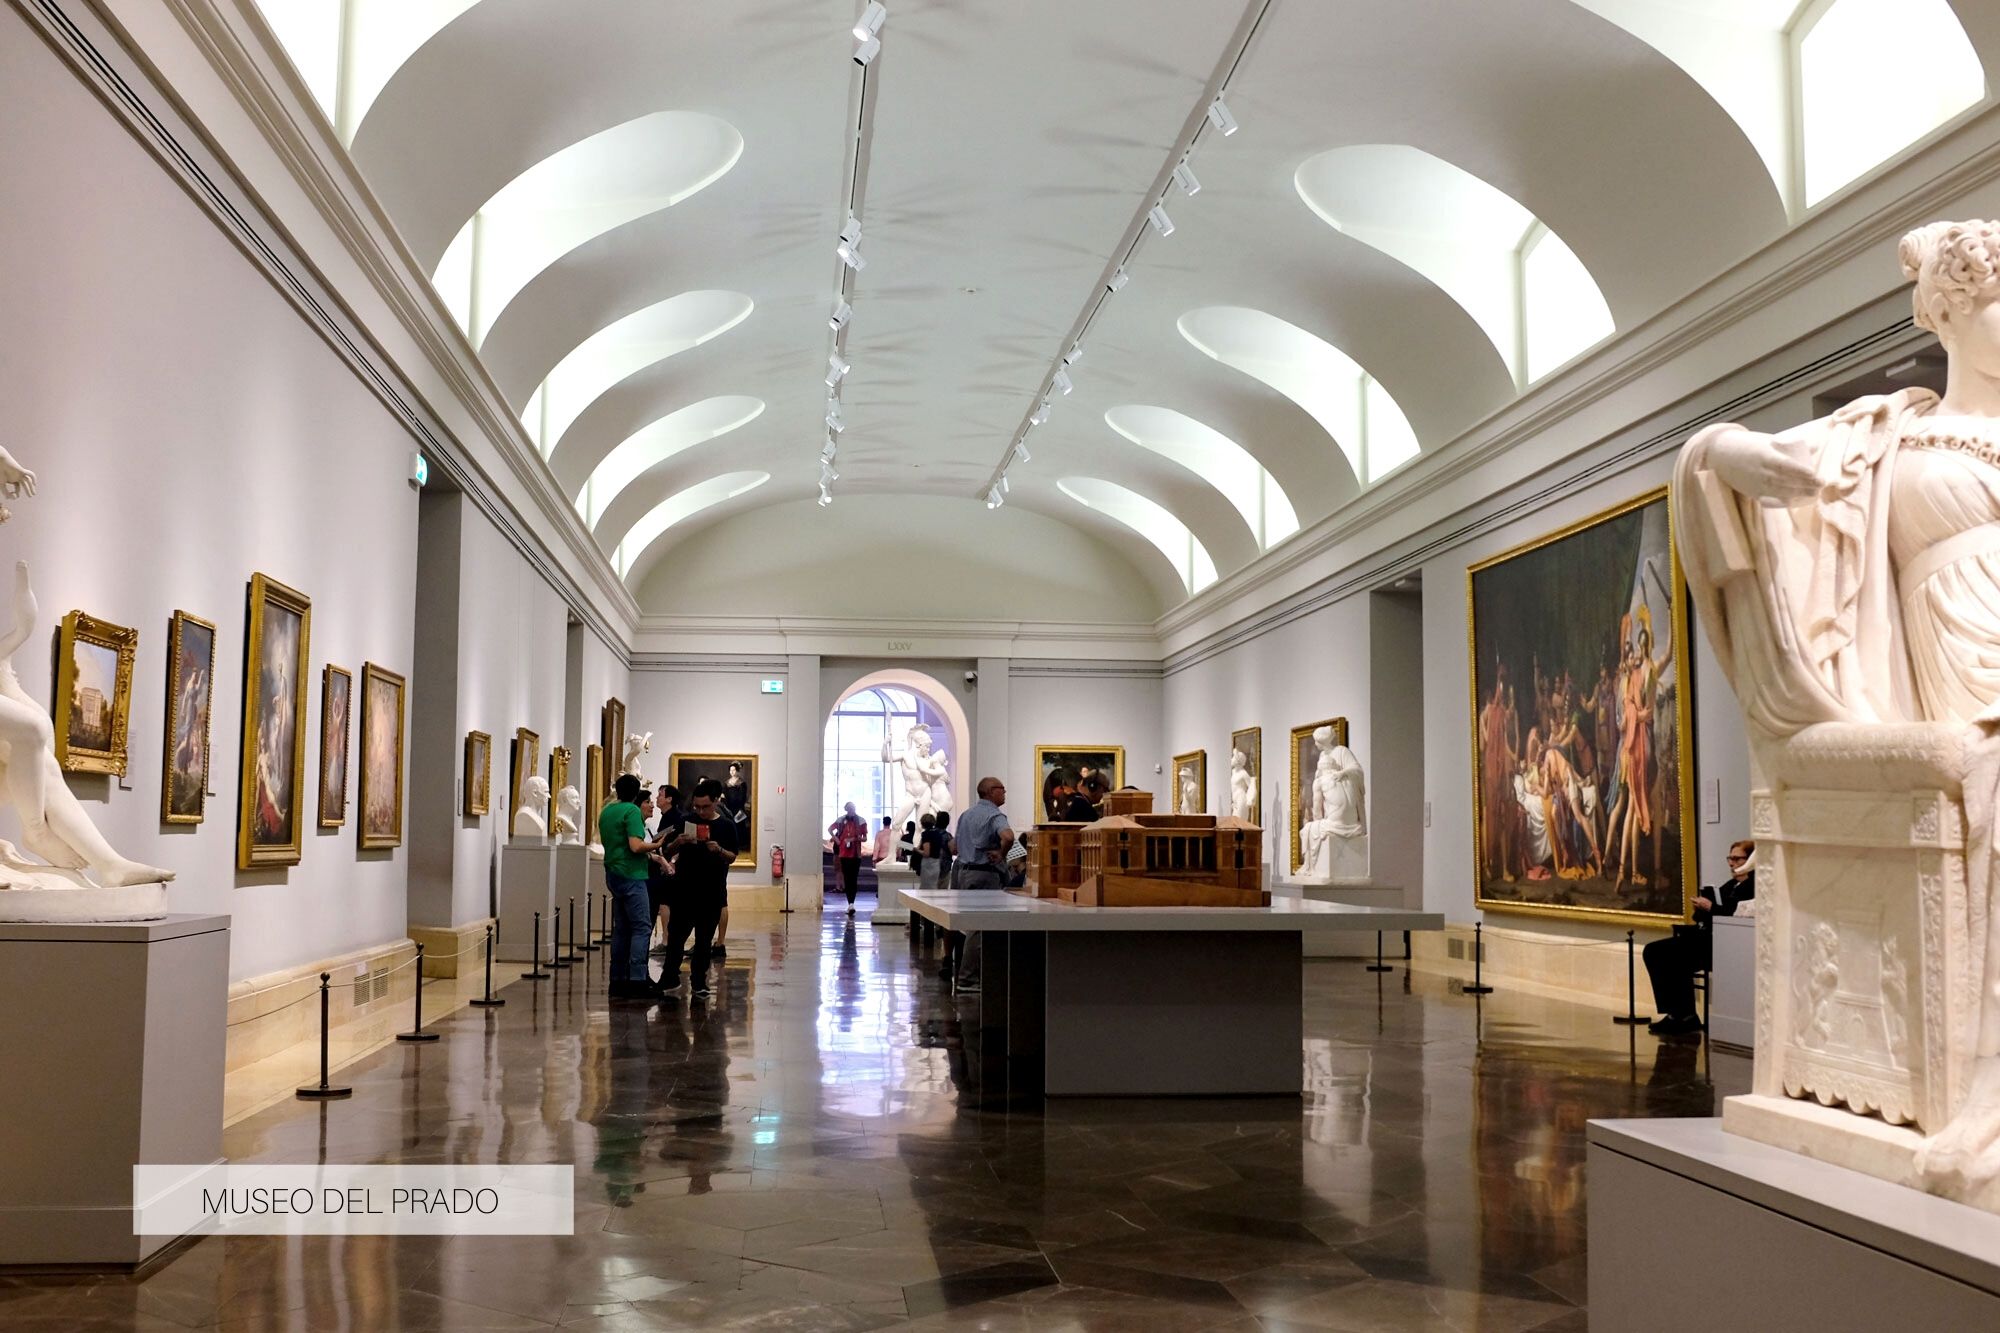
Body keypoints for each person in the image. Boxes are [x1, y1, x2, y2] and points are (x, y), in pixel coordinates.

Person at [1643, 839, 1756, 1036]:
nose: (1731, 863)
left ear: (1750, 860)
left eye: (1737, 859)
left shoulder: (1754, 886)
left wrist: (1711, 907)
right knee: (1653, 951)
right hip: (1706, 937)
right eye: (1730, 858)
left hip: (1725, 945)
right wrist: (1702, 908)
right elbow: (1707, 916)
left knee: (1674, 957)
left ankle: (1684, 1016)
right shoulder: (1730, 885)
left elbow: (1735, 915)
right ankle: (1676, 1013)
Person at [659, 777, 740, 1000]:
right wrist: (679, 843)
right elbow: (666, 850)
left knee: (704, 940)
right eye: (697, 806)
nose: (700, 811)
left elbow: (732, 856)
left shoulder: (726, 825)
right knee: (676, 937)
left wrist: (719, 850)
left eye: (705, 806)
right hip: (685, 889)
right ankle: (670, 977)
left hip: (711, 891)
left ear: (715, 801)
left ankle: (698, 982)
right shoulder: (686, 821)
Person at [601, 773, 668, 1000]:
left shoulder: (607, 810)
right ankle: (638, 980)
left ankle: (617, 979)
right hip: (632, 874)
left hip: (613, 872)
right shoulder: (631, 811)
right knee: (641, 928)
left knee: (621, 929)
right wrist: (656, 845)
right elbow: (635, 845)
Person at [953, 777, 1013, 889]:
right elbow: (1008, 837)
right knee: (987, 906)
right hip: (986, 875)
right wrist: (1001, 854)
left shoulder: (965, 815)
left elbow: (954, 847)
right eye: (1002, 788)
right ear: (991, 791)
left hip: (963, 874)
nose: (1004, 792)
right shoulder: (994, 815)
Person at [648, 786, 683, 952]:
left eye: (660, 795)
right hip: (667, 864)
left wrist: (673, 861)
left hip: (671, 866)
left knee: (666, 901)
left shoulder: (675, 818)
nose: (656, 798)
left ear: (669, 799)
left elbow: (678, 845)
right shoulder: (667, 817)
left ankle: (667, 940)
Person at [828, 802, 868, 913]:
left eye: (852, 808)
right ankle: (849, 902)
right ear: (846, 809)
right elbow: (830, 829)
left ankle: (852, 903)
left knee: (853, 878)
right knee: (846, 878)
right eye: (848, 809)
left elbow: (865, 838)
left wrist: (855, 839)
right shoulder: (841, 820)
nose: (850, 811)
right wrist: (836, 839)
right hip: (843, 853)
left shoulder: (861, 821)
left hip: (856, 854)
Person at [916, 812, 946, 892]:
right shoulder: (938, 834)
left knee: (925, 888)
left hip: (928, 864)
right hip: (936, 863)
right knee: (933, 886)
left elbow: (926, 853)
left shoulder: (926, 834)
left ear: (923, 823)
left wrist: (916, 850)